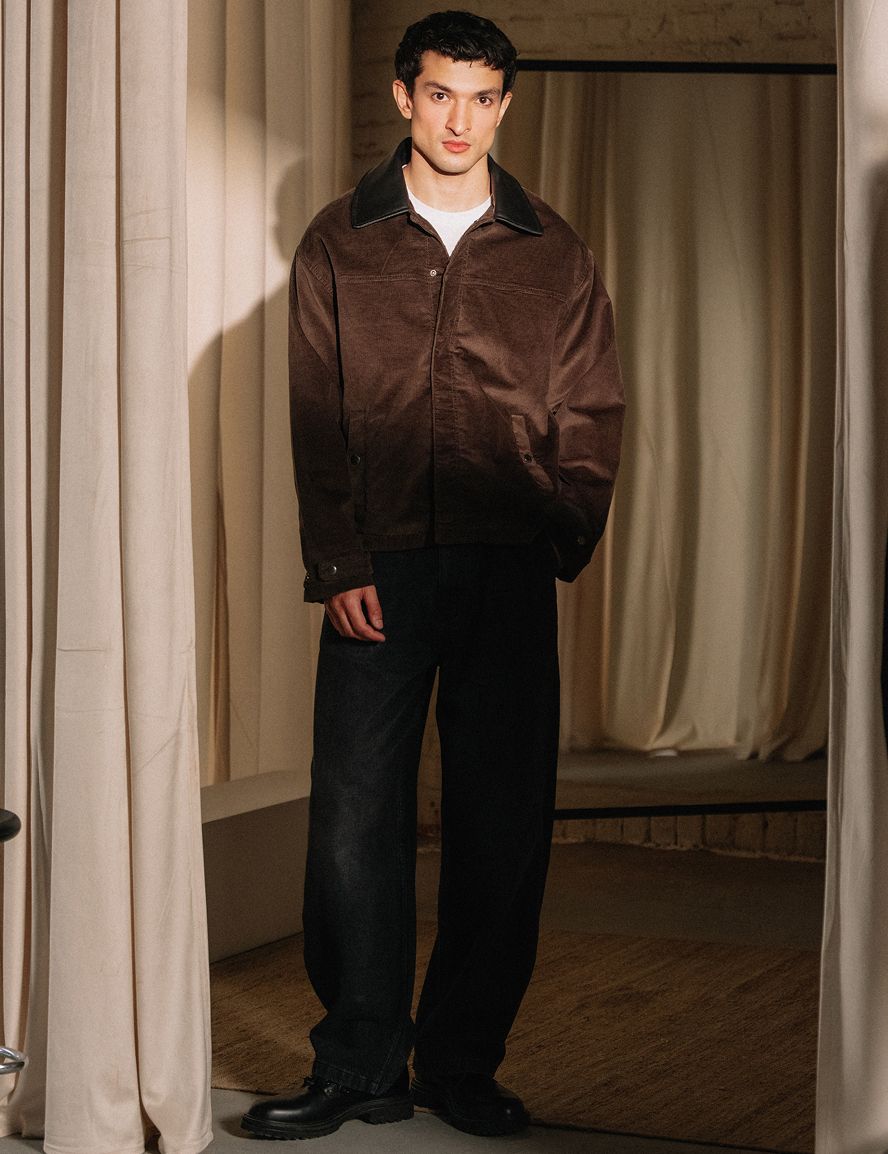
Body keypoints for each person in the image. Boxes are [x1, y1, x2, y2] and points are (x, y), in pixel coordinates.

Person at [241, 9, 624, 1142]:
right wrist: (338, 561)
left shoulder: (552, 249)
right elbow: (316, 413)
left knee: (502, 826)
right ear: (406, 96)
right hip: (381, 574)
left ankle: (461, 1062)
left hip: (507, 568)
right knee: (353, 823)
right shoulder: (340, 240)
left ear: (505, 105)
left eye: (484, 98)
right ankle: (360, 1062)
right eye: (442, 94)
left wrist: (558, 535)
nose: (462, 120)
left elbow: (592, 406)